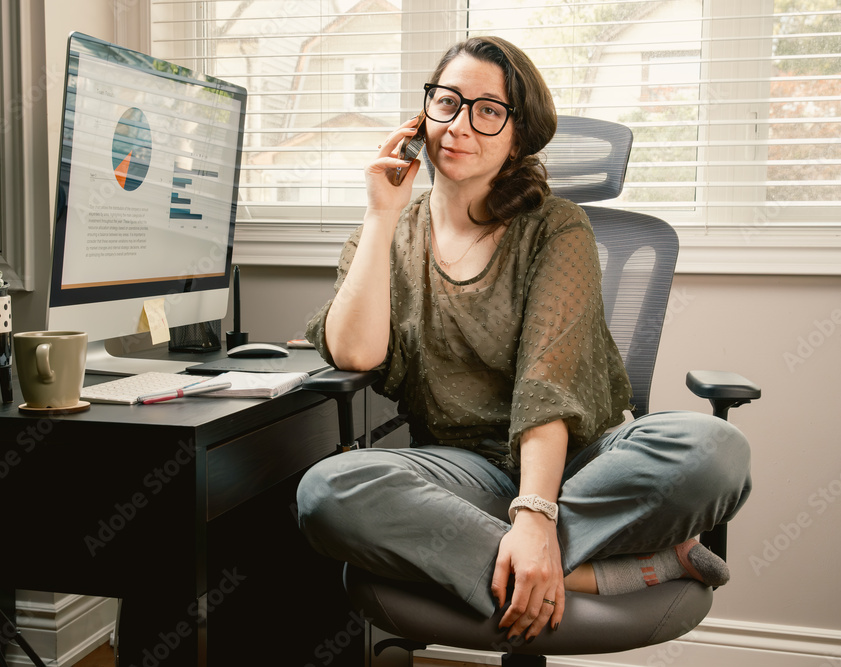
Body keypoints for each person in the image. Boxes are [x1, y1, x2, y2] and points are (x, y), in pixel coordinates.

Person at [297, 36, 751, 643]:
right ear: (422, 112)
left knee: (714, 448)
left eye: (488, 110)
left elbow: (548, 381)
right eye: (447, 101)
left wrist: (536, 516)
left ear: (519, 135)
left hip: (584, 465)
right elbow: (356, 354)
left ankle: (512, 552)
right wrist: (380, 215)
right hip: (465, 476)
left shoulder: (556, 225)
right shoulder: (389, 229)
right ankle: (607, 571)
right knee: (327, 492)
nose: (459, 124)